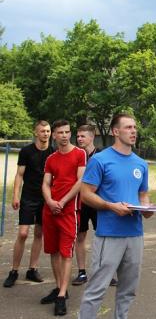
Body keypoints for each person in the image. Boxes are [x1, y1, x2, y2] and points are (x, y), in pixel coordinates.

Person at [79, 113, 154, 319]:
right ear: (115, 131)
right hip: (109, 234)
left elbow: (143, 194)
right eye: (128, 127)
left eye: (135, 127)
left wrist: (146, 208)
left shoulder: (141, 164)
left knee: (128, 291)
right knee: (97, 290)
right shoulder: (100, 160)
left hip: (135, 234)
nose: (133, 131)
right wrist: (111, 206)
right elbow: (85, 195)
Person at [41, 120, 87, 316]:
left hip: (69, 212)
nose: (65, 135)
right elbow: (45, 183)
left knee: (66, 253)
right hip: (50, 210)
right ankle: (61, 288)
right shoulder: (51, 158)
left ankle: (61, 296)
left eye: (67, 132)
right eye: (60, 132)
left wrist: (63, 201)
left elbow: (80, 181)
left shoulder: (79, 154)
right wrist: (51, 202)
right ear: (54, 135)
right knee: (53, 252)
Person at [3, 120, 53, 288]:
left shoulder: (53, 152)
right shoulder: (26, 151)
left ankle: (32, 269)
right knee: (23, 233)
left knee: (39, 233)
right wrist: (15, 196)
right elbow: (19, 175)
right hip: (28, 197)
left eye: (48, 131)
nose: (46, 134)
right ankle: (14, 271)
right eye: (43, 131)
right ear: (36, 133)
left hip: (45, 198)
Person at [71, 125, 117, 287]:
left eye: (83, 136)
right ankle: (82, 272)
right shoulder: (75, 155)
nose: (79, 139)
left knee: (104, 237)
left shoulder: (102, 156)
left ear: (91, 137)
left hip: (98, 203)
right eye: (78, 136)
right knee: (80, 236)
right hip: (81, 203)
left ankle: (106, 272)